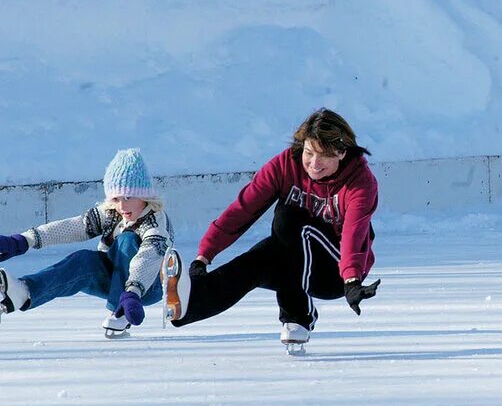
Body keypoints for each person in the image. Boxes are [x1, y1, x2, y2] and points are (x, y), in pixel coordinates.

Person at [163, 108, 380, 352]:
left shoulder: (360, 181)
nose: (313, 164)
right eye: (309, 153)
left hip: (334, 270)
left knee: (289, 218)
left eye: (323, 156)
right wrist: (204, 256)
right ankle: (190, 303)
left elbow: (354, 232)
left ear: (341, 152)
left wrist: (351, 279)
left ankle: (298, 316)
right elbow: (243, 209)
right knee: (258, 260)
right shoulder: (286, 164)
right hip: (295, 262)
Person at [0, 148, 174, 338]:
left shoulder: (155, 221)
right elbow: (73, 227)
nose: (122, 205)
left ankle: (121, 312)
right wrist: (23, 240)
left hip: (147, 287)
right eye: (116, 198)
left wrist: (132, 293)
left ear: (144, 195)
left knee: (128, 239)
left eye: (128, 197)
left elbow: (148, 257)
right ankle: (25, 292)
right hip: (115, 279)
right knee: (83, 260)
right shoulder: (111, 213)